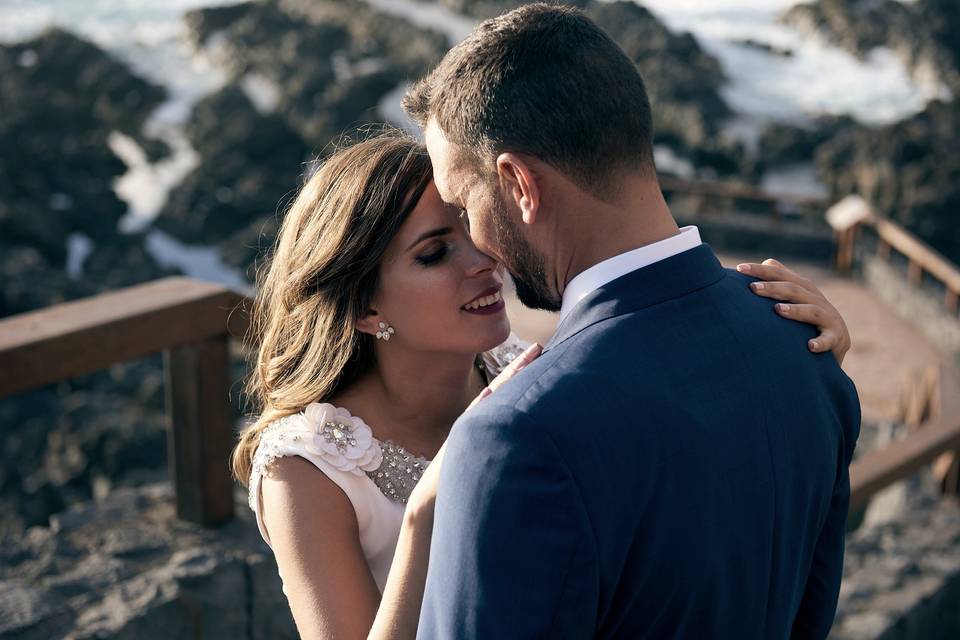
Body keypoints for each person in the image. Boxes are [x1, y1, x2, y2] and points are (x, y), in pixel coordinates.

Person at [232, 127, 853, 637]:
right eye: (433, 253)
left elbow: (673, 431)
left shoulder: (525, 372)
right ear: (367, 309)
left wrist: (800, 348)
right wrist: (427, 512)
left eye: (469, 225)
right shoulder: (306, 470)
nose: (482, 262)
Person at [401, 4, 861, 639]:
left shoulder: (519, 436)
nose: (476, 245)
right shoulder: (808, 350)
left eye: (463, 203)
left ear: (519, 185)